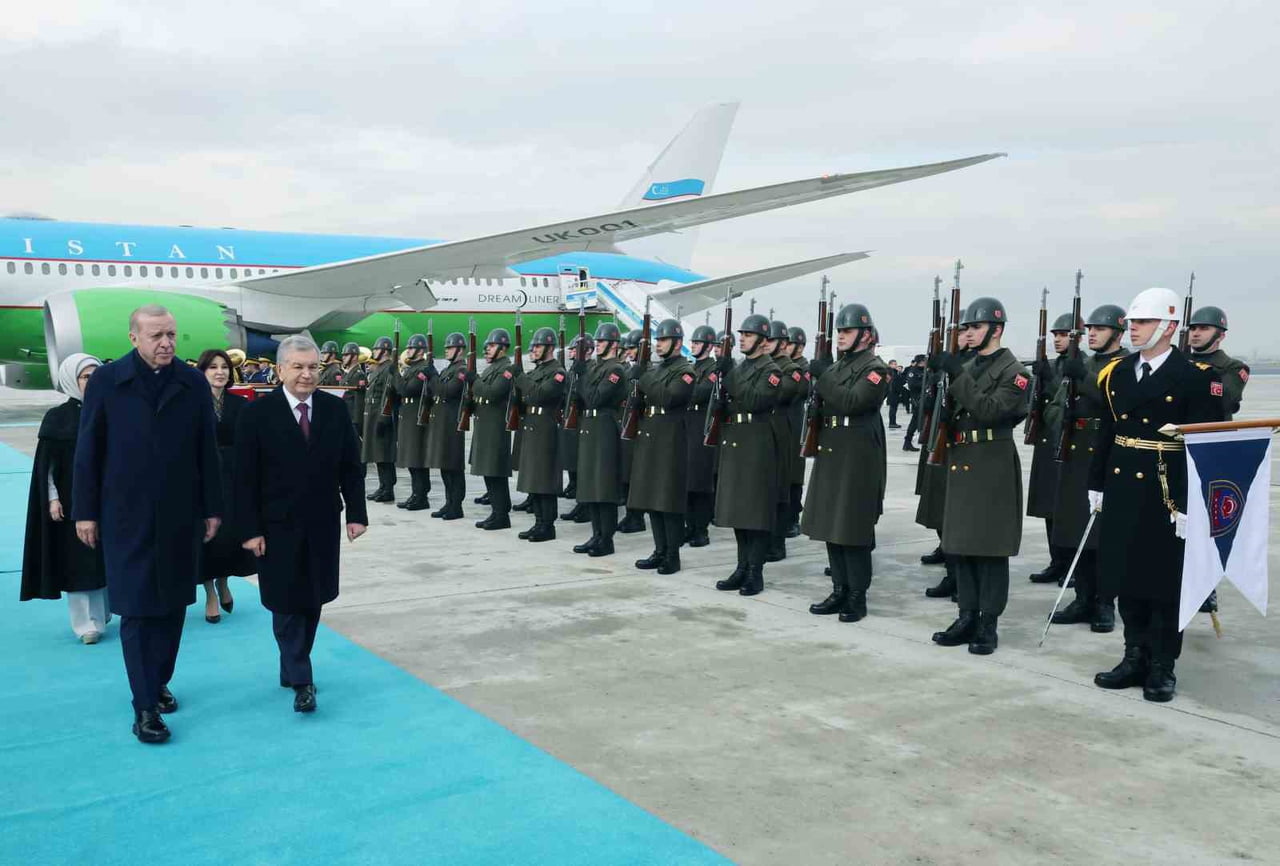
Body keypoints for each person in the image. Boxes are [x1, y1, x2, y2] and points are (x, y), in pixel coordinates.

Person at [72, 305, 222, 744]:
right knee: (137, 609)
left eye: (172, 334)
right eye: (157, 335)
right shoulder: (106, 382)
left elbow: (205, 451)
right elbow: (88, 451)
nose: (167, 343)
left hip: (180, 514)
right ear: (134, 337)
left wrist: (212, 507)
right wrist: (86, 511)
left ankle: (157, 680)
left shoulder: (191, 382)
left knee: (174, 605)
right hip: (125, 514)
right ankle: (144, 707)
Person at [1089, 288, 1222, 702]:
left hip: (1169, 490)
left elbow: (1210, 445)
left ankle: (1162, 664)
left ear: (1168, 327)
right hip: (1124, 480)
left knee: (1165, 581)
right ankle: (1133, 655)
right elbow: (1107, 431)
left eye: (1142, 322)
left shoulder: (1197, 378)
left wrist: (1195, 503)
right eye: (1131, 322)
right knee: (1127, 574)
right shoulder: (1118, 372)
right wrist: (1096, 483)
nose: (1133, 329)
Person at [235, 335, 368, 714]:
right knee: (285, 600)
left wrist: (357, 513)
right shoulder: (257, 414)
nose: (307, 374)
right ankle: (303, 679)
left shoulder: (334, 410)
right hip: (275, 526)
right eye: (298, 367)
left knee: (313, 598)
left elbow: (350, 466)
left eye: (313, 367)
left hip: (322, 520)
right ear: (280, 370)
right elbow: (244, 478)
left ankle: (290, 665)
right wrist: (250, 529)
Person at [929, 297, 1027, 656]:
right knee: (962, 544)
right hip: (961, 456)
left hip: (990, 460)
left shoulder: (1015, 372)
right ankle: (966, 614)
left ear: (996, 329)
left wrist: (957, 374)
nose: (968, 333)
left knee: (989, 548)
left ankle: (988, 622)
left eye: (976, 327)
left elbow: (990, 410)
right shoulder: (967, 364)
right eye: (966, 327)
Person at [803, 304, 889, 622]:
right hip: (833, 448)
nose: (840, 337)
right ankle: (839, 589)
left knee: (852, 527)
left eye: (847, 331)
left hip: (858, 453)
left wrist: (823, 376)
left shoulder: (876, 369)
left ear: (865, 336)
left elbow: (853, 401)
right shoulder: (839, 367)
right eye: (839, 331)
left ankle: (857, 595)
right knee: (831, 524)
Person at [1047, 304, 1129, 633]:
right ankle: (1083, 597)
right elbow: (1054, 404)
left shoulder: (1126, 364)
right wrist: (1061, 420)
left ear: (1118, 333)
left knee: (1103, 535)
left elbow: (1120, 401)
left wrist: (1085, 377)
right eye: (1090, 328)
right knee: (1076, 527)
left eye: (1101, 328)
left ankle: (1105, 603)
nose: (1092, 333)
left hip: (1106, 452)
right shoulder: (1080, 363)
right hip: (1076, 449)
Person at [21, 353, 110, 643]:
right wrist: (52, 499)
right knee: (79, 561)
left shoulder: (111, 412)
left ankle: (104, 613)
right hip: (73, 503)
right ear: (72, 380)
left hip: (109, 499)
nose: (93, 383)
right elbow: (47, 468)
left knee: (104, 558)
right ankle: (86, 625)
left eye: (98, 376)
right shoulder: (58, 418)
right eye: (86, 377)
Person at [712, 313, 783, 596]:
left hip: (757, 443)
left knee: (755, 512)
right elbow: (730, 402)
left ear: (764, 342)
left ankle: (755, 572)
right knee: (739, 511)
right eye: (741, 334)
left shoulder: (772, 371)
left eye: (749, 335)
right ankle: (741, 567)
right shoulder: (742, 368)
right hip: (737, 441)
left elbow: (755, 401)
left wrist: (729, 377)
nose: (742, 338)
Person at [1185, 305, 1248, 614]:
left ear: (1220, 335)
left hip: (1211, 448)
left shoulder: (1232, 367)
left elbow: (1225, 398)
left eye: (1204, 328)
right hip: (1176, 446)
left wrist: (1193, 374)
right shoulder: (1177, 362)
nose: (1196, 333)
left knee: (1206, 521)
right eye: (1193, 327)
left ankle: (1206, 585)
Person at [627, 318, 695, 573]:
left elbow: (669, 396)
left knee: (667, 500)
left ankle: (672, 555)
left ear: (677, 344)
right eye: (657, 340)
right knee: (652, 498)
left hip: (671, 439)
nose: (658, 344)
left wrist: (642, 377)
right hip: (651, 435)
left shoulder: (686, 371)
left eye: (663, 340)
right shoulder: (656, 370)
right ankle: (659, 549)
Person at [195, 349, 255, 624]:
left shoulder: (241, 405)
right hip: (202, 477)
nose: (220, 372)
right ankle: (209, 593)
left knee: (228, 536)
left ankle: (223, 582)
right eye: (212, 367)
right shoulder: (191, 404)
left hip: (233, 477)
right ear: (203, 372)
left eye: (224, 367)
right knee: (207, 537)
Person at [570, 323, 629, 556]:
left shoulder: (616, 370)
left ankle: (606, 538)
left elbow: (595, 398)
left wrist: (582, 374)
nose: (598, 346)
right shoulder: (595, 367)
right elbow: (578, 396)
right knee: (590, 484)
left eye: (602, 342)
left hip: (605, 427)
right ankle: (595, 535)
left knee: (603, 487)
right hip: (590, 427)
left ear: (614, 345)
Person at [1027, 313, 1074, 585]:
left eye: (1063, 334)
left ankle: (1071, 564)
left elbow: (1065, 398)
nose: (1058, 339)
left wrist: (1049, 380)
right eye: (1055, 335)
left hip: (1067, 442)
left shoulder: (1081, 366)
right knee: (1048, 505)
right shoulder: (1052, 365)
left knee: (1067, 507)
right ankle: (1056, 561)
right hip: (1047, 440)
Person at [513, 327, 567, 541]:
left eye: (538, 346)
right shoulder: (535, 372)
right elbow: (525, 397)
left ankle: (547, 525)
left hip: (546, 427)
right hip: (532, 426)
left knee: (544, 478)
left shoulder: (558, 372)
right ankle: (538, 522)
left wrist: (520, 378)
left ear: (550, 347)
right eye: (533, 346)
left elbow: (538, 395)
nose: (533, 350)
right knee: (534, 477)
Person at [469, 329, 518, 529]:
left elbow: (493, 392)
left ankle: (501, 515)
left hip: (496, 427)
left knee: (496, 472)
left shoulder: (507, 368)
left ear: (503, 347)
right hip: (485, 424)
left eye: (491, 346)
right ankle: (497, 512)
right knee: (488, 472)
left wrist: (474, 380)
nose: (486, 349)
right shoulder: (492, 368)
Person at [764, 319, 803, 562]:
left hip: (784, 431)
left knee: (780, 491)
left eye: (771, 339)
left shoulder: (790, 369)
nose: (766, 344)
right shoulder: (765, 365)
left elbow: (782, 393)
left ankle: (777, 544)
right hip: (765, 433)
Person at [424, 332, 468, 519]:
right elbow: (435, 393)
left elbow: (447, 391)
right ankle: (449, 502)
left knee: (453, 467)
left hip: (452, 424)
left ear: (460, 349)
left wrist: (433, 375)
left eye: (450, 348)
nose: (447, 351)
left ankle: (456, 506)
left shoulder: (462, 370)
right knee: (444, 466)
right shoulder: (449, 370)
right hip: (441, 422)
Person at [684, 325, 718, 547]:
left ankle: (701, 530)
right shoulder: (691, 368)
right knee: (687, 480)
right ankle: (689, 526)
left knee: (701, 482)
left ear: (708, 346)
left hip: (702, 426)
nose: (693, 345)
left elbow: (698, 393)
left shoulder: (714, 370)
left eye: (697, 343)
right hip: (688, 426)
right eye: (693, 342)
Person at [393, 334, 435, 511]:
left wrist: (395, 373)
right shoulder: (412, 369)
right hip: (407, 417)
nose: (407, 350)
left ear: (420, 351)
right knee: (410, 459)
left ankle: (421, 496)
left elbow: (406, 390)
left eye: (411, 348)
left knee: (416, 459)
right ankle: (416, 494)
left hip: (417, 418)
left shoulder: (422, 369)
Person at [559, 335, 594, 524]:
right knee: (574, 462)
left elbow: (589, 395)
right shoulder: (574, 369)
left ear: (588, 350)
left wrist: (583, 376)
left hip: (584, 421)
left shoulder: (591, 369)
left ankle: (586, 505)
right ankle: (580, 503)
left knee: (584, 467)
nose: (572, 352)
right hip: (572, 419)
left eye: (576, 349)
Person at [617, 329, 646, 534]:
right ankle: (630, 514)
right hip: (626, 423)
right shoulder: (627, 371)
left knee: (636, 475)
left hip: (640, 428)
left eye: (632, 349)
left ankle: (637, 517)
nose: (628, 352)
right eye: (626, 349)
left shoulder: (646, 370)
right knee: (626, 472)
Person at [362, 336, 398, 503]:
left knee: (384, 453)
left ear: (384, 351)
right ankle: (382, 486)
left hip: (381, 416)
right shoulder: (379, 368)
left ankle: (388, 488)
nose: (374, 352)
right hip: (373, 414)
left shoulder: (389, 368)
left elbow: (388, 394)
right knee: (377, 453)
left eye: (376, 349)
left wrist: (384, 416)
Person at [786, 326, 810, 539]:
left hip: (796, 424)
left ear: (800, 347)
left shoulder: (803, 368)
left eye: (790, 344)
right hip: (783, 424)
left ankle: (793, 518)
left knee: (794, 474)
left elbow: (800, 390)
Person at [902, 355, 925, 452]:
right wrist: (925, 383)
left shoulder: (926, 370)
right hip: (917, 400)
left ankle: (908, 442)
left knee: (918, 422)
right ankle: (907, 442)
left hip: (925, 399)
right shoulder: (913, 371)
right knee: (915, 422)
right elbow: (912, 385)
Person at [885, 360, 902, 428]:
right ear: (890, 365)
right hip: (892, 392)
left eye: (896, 364)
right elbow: (893, 383)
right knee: (893, 408)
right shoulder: (890, 372)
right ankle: (892, 423)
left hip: (895, 392)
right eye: (893, 364)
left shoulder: (895, 372)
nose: (895, 365)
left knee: (894, 408)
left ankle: (893, 422)